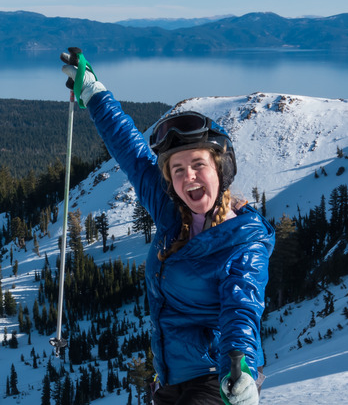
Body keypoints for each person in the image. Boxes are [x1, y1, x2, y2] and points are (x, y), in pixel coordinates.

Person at [60, 48, 274, 405]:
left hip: (213, 380)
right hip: (169, 381)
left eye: (198, 164)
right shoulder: (173, 215)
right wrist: (94, 93)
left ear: (220, 170)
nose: (188, 176)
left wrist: (242, 372)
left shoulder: (243, 242)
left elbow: (242, 309)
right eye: (177, 169)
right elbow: (130, 151)